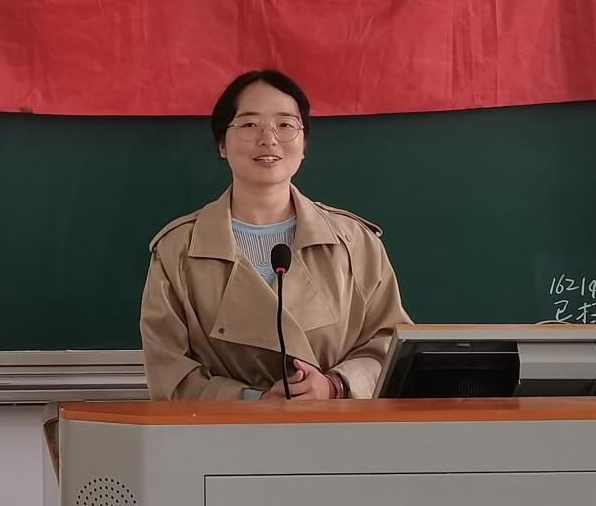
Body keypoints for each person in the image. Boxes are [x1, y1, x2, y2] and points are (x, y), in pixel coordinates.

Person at [140, 69, 412, 401]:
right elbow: (169, 372)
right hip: (224, 430)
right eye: (249, 124)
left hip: (336, 427)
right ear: (222, 144)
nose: (268, 139)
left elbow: (391, 346)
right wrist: (253, 401)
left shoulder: (355, 242)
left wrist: (335, 385)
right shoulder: (177, 251)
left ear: (304, 143)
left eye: (285, 125)